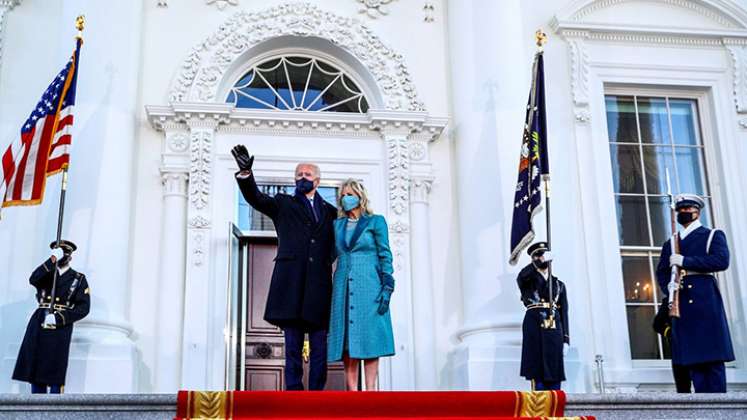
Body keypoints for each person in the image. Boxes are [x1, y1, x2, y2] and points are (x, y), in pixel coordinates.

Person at [232, 145, 336, 391]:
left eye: (307, 175)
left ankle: (317, 394)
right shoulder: (283, 204)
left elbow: (338, 243)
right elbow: (256, 198)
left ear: (317, 181)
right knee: (292, 345)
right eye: (299, 174)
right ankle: (293, 393)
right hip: (291, 284)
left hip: (320, 286)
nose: (302, 178)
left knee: (320, 346)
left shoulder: (332, 212)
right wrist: (246, 174)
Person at [656, 194, 734, 393]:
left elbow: (720, 261)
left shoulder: (712, 235)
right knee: (694, 363)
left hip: (704, 300)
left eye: (687, 209)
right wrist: (670, 288)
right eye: (679, 210)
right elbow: (662, 271)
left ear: (697, 212)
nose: (683, 213)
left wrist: (686, 261)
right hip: (681, 302)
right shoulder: (671, 243)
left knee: (712, 361)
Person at [327, 179, 395, 391]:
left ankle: (371, 391)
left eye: (350, 194)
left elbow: (385, 254)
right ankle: (352, 392)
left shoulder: (375, 222)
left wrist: (387, 285)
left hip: (370, 284)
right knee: (347, 340)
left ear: (360, 196)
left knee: (370, 336)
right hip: (343, 285)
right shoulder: (336, 225)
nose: (346, 198)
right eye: (343, 195)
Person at [12, 240, 90, 394]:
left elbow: (83, 308)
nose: (62, 256)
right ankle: (36, 405)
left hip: (59, 326)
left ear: (70, 257)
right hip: (40, 321)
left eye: (65, 253)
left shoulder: (78, 278)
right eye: (59, 253)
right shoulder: (46, 273)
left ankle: (55, 407)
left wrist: (59, 318)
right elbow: (33, 279)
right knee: (36, 363)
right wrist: (51, 261)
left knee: (55, 368)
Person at [516, 242, 569, 391]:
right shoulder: (527, 280)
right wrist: (539, 262)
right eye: (538, 256)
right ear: (533, 259)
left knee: (554, 369)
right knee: (537, 368)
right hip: (535, 324)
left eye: (544, 255)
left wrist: (566, 339)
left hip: (553, 327)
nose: (542, 258)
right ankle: (539, 406)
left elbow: (564, 313)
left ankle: (555, 404)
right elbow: (523, 275)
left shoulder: (559, 284)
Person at [652, 297, 692, 393]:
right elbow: (657, 324)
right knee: (683, 390)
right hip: (679, 352)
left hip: (700, 352)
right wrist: (671, 333)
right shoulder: (670, 300)